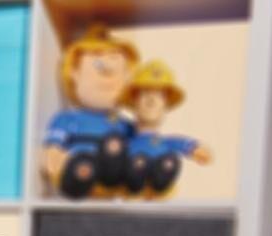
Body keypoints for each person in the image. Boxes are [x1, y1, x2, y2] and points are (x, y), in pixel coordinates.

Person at [41, 24, 139, 198]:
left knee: (115, 148)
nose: (108, 72)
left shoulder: (125, 125)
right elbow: (54, 147)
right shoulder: (68, 119)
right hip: (80, 174)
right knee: (83, 164)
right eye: (97, 62)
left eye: (116, 61)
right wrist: (54, 155)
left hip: (114, 180)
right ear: (74, 73)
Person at [121, 60, 212, 196]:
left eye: (159, 95)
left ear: (166, 105)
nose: (151, 100)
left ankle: (161, 179)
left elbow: (180, 143)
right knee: (137, 164)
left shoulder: (166, 142)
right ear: (134, 101)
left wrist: (194, 148)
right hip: (129, 190)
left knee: (169, 162)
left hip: (158, 192)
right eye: (145, 93)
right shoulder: (126, 137)